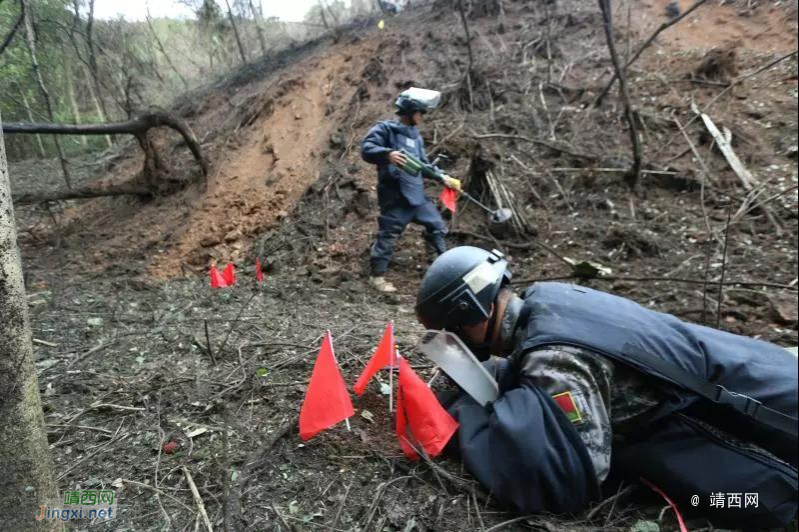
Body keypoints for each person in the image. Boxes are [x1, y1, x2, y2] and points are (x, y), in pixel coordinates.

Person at [415, 246, 798, 528]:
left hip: (766, 450)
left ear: (469, 317)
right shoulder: (551, 298)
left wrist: (466, 414)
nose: (458, 343)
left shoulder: (556, 357)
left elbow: (570, 477)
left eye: (454, 333)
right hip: (767, 377)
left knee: (726, 504)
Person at [361, 87, 461, 293]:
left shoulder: (416, 138)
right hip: (395, 195)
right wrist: (387, 154)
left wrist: (443, 177)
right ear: (410, 110)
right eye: (420, 112)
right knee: (389, 233)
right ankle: (377, 277)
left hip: (416, 194)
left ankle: (441, 272)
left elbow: (424, 165)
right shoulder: (385, 129)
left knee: (437, 226)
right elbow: (367, 148)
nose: (422, 117)